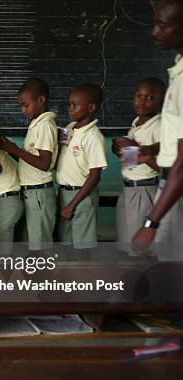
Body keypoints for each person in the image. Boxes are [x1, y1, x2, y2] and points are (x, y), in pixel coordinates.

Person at [132, 0, 183, 261]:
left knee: (169, 272)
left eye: (162, 25)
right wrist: (151, 151)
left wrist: (150, 223)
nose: (154, 32)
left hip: (176, 188)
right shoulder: (177, 71)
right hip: (170, 183)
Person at [0, 78, 58, 254]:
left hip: (39, 192)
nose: (23, 110)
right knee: (32, 243)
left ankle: (42, 280)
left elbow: (44, 164)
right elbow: (31, 161)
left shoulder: (45, 125)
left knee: (40, 246)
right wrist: (11, 152)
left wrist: (15, 149)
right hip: (31, 191)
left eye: (26, 105)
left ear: (41, 100)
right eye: (21, 106)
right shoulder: (36, 124)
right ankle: (35, 278)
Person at [112, 78, 165, 253]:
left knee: (140, 248)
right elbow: (132, 160)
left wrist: (138, 152)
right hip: (128, 188)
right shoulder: (136, 123)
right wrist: (119, 150)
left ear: (162, 101)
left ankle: (143, 278)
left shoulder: (158, 126)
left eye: (150, 98)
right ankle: (135, 276)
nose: (142, 101)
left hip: (145, 190)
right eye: (139, 96)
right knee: (127, 243)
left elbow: (164, 168)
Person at [56, 84, 108, 259]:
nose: (70, 109)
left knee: (82, 247)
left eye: (75, 105)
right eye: (69, 104)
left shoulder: (93, 137)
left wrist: (72, 205)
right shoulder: (69, 130)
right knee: (67, 243)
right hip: (64, 192)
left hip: (82, 196)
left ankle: (83, 281)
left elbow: (95, 176)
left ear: (91, 107)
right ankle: (71, 279)